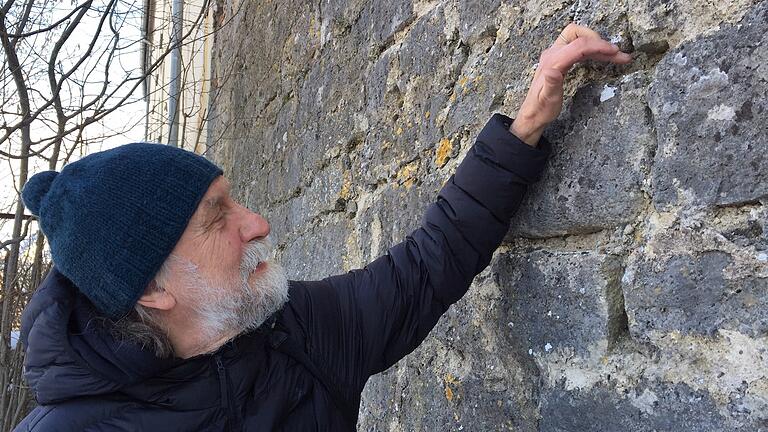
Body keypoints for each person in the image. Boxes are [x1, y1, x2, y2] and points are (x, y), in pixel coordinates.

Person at [14, 24, 631, 431]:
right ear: (151, 289)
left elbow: (427, 265)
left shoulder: (298, 334)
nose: (256, 224)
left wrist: (528, 121)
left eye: (235, 200)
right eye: (217, 218)